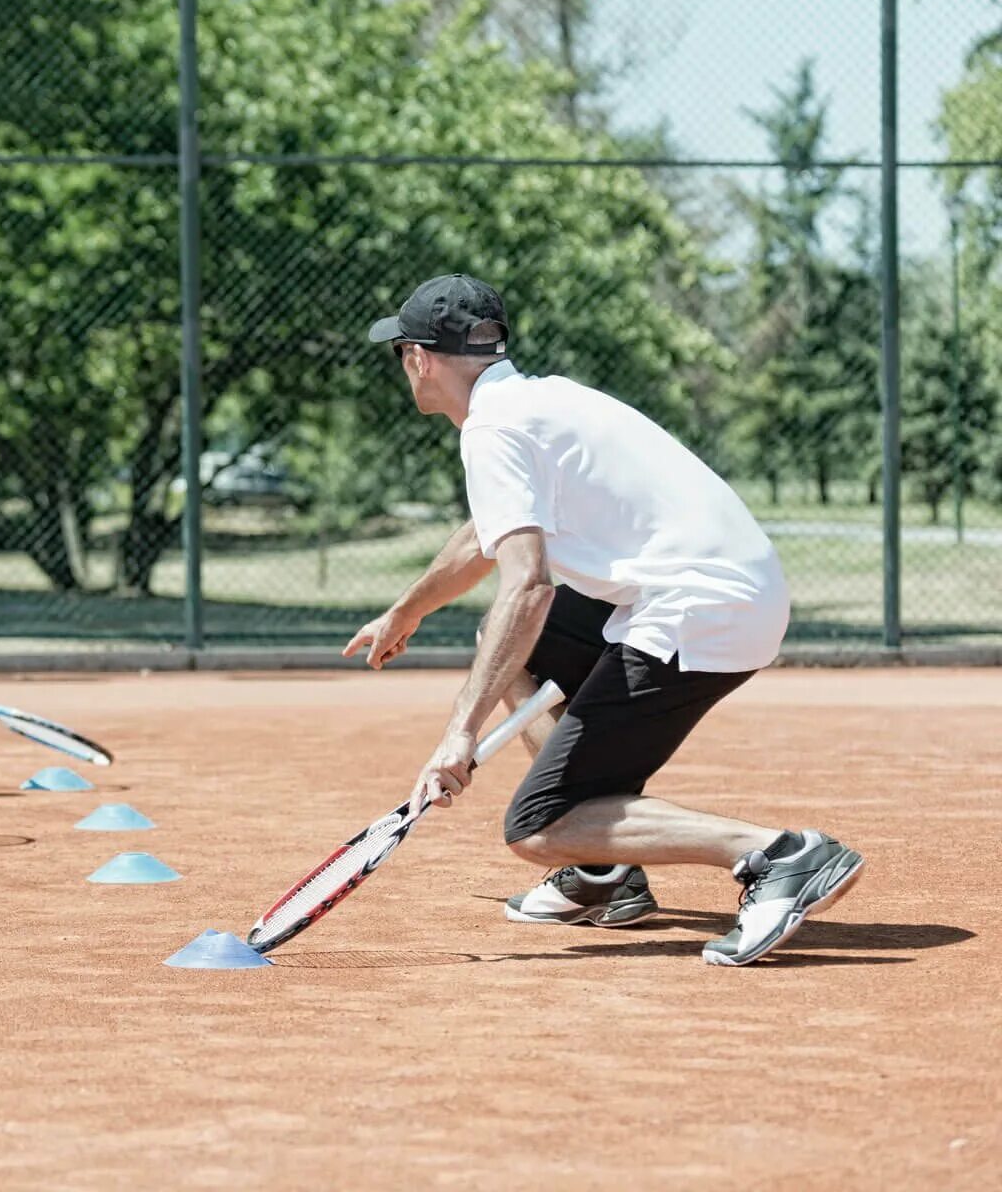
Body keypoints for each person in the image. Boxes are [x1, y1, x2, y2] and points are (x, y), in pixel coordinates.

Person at [346, 273, 864, 966]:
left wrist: (457, 735)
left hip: (702, 607)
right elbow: (483, 538)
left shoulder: (494, 430)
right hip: (717, 586)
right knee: (511, 652)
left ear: (419, 358)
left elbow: (527, 587)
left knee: (536, 826)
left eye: (401, 354)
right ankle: (603, 870)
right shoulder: (540, 401)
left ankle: (779, 855)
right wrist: (405, 611)